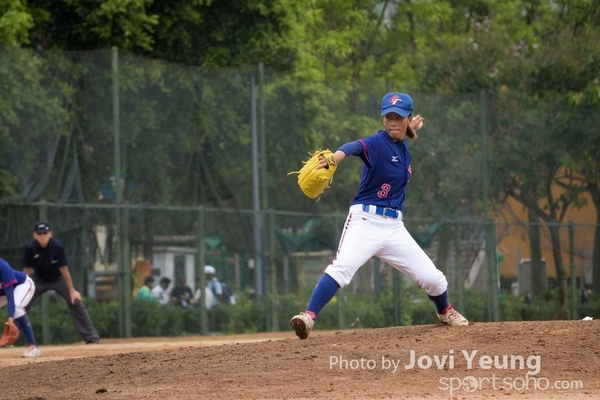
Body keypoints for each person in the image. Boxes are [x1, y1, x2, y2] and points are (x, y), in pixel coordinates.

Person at [290, 92, 469, 340]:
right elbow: (354, 147)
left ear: (407, 120)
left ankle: (444, 311)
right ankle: (308, 317)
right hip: (365, 222)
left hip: (394, 227)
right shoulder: (376, 143)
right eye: (388, 117)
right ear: (383, 119)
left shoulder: (402, 145)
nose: (393, 122)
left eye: (399, 117)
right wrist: (335, 158)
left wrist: (411, 129)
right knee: (342, 268)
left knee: (434, 279)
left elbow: (400, 142)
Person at [22, 221, 101, 344]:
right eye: (39, 233)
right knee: (20, 306)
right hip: (38, 279)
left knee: (75, 301)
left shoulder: (57, 246)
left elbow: (64, 270)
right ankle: (10, 339)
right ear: (34, 235)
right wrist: (22, 292)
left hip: (57, 279)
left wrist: (72, 291)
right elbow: (26, 272)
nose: (42, 236)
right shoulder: (30, 248)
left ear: (50, 234)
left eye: (45, 233)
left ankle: (92, 338)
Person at [0, 257, 41, 357]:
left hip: (23, 285)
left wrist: (11, 320)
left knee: (17, 307)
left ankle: (33, 347)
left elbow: (10, 297)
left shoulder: (3, 267)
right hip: (3, 293)